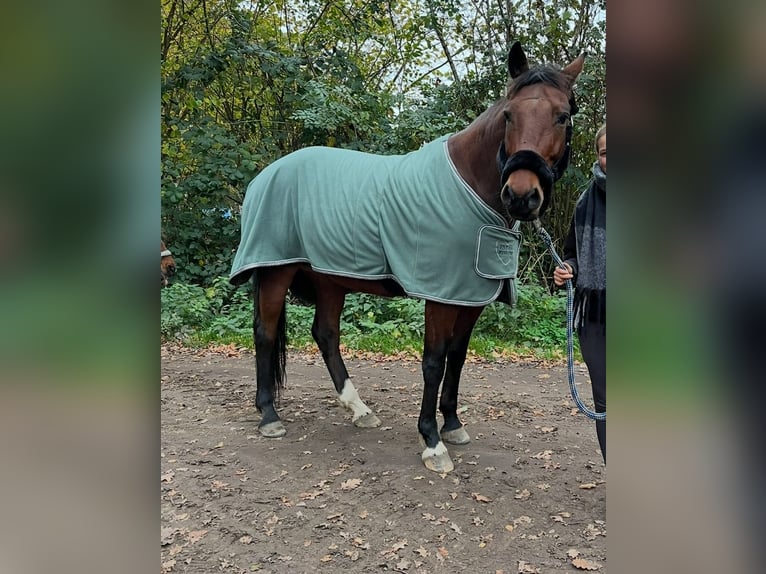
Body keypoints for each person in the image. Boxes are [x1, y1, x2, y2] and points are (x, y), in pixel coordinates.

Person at [553, 123, 606, 462]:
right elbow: (573, 251)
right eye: (605, 153)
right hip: (596, 315)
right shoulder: (585, 202)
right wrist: (567, 267)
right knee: (605, 400)